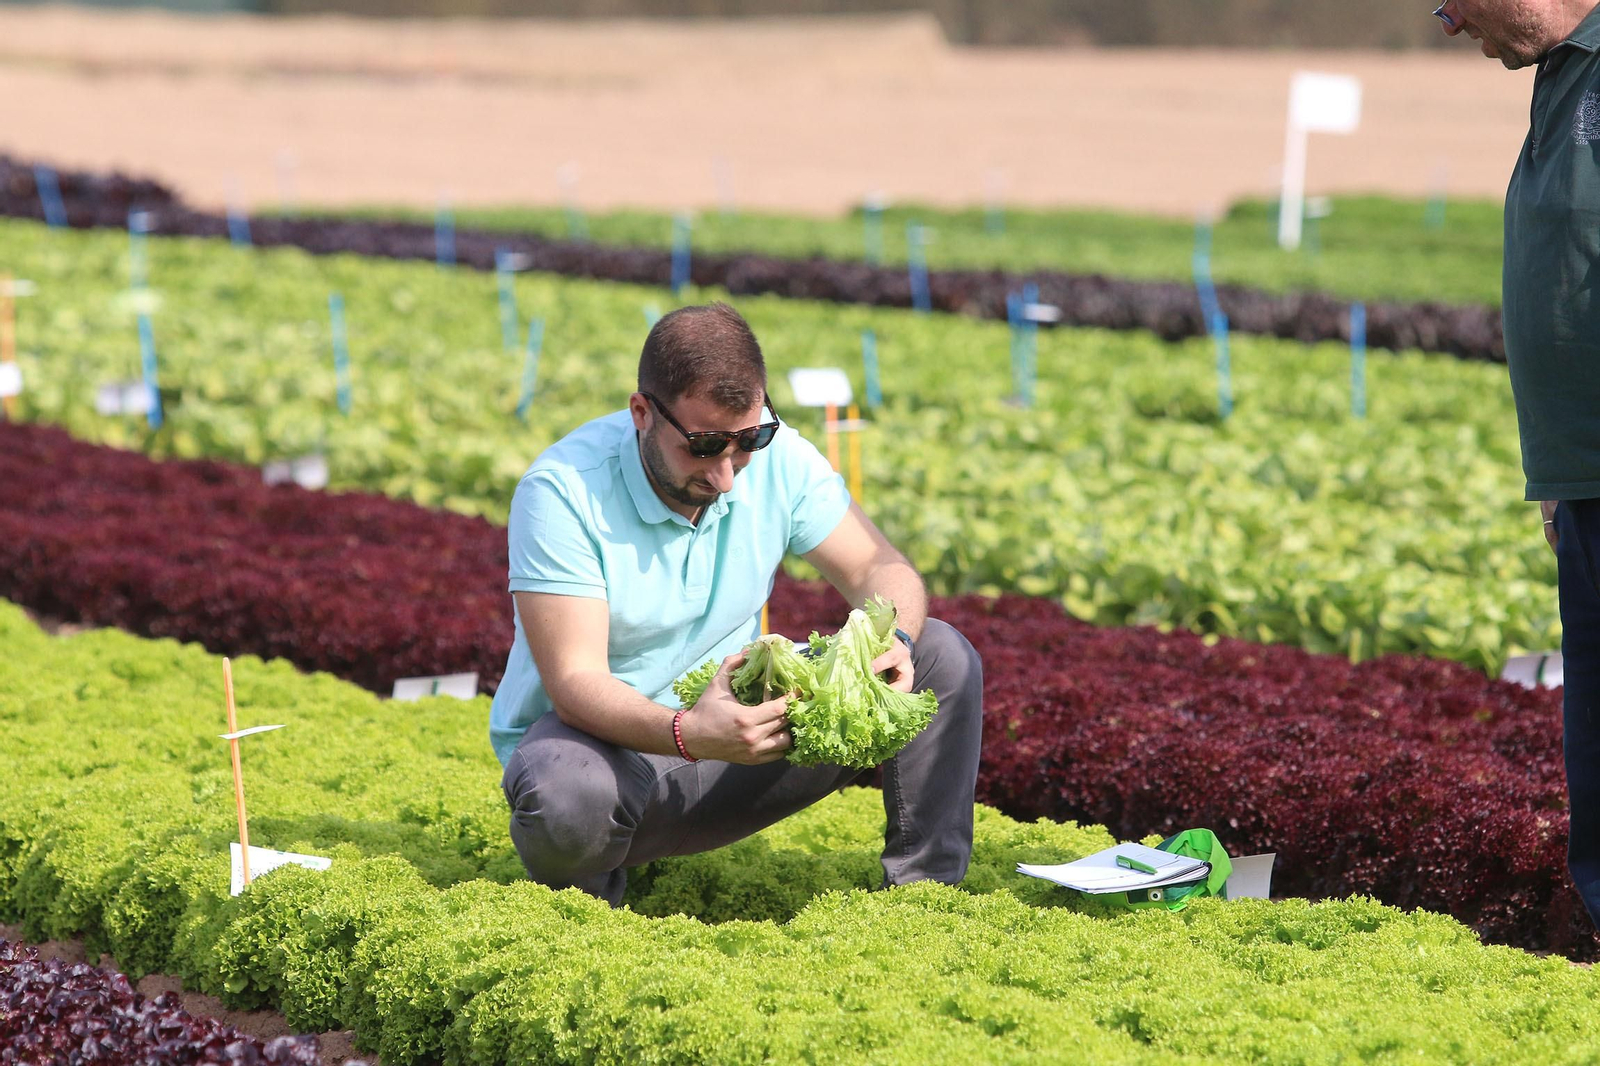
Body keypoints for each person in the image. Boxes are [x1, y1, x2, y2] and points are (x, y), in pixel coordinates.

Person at [490, 302, 984, 906]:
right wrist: (690, 731)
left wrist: (894, 641)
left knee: (940, 656)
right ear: (642, 413)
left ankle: (925, 899)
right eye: (703, 446)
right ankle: (592, 907)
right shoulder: (563, 492)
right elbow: (575, 681)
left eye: (749, 440)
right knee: (569, 796)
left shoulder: (782, 461)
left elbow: (879, 567)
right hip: (616, 762)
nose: (726, 476)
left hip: (741, 736)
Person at [1436, 0, 1600, 929]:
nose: (1448, 24)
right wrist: (1561, 467)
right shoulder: (1558, 72)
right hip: (1580, 477)